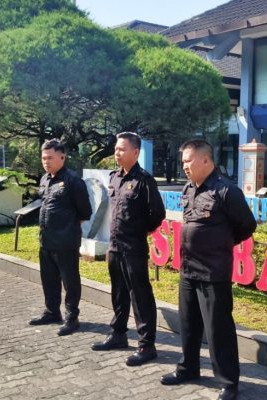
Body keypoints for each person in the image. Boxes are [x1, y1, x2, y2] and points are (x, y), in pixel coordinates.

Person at [160, 139, 256, 400]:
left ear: (205, 160)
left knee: (218, 329)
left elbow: (247, 226)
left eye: (188, 161)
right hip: (188, 269)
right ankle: (188, 368)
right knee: (188, 325)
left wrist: (223, 243)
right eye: (183, 163)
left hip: (214, 272)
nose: (184, 168)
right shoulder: (189, 188)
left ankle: (228, 382)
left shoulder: (226, 191)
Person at [91, 132, 165, 367]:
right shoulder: (114, 178)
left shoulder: (144, 180)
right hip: (114, 246)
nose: (117, 152)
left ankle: (146, 345)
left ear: (135, 152)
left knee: (140, 295)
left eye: (122, 149)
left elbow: (158, 214)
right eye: (116, 148)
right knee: (118, 292)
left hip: (133, 248)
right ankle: (118, 334)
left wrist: (138, 231)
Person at [29, 139, 92, 336]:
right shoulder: (45, 179)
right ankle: (52, 312)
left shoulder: (73, 181)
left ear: (62, 157)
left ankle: (72, 317)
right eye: (43, 158)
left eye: (50, 157)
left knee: (70, 281)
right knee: (49, 279)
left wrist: (68, 228)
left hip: (65, 242)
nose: (46, 161)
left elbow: (85, 212)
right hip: (46, 240)